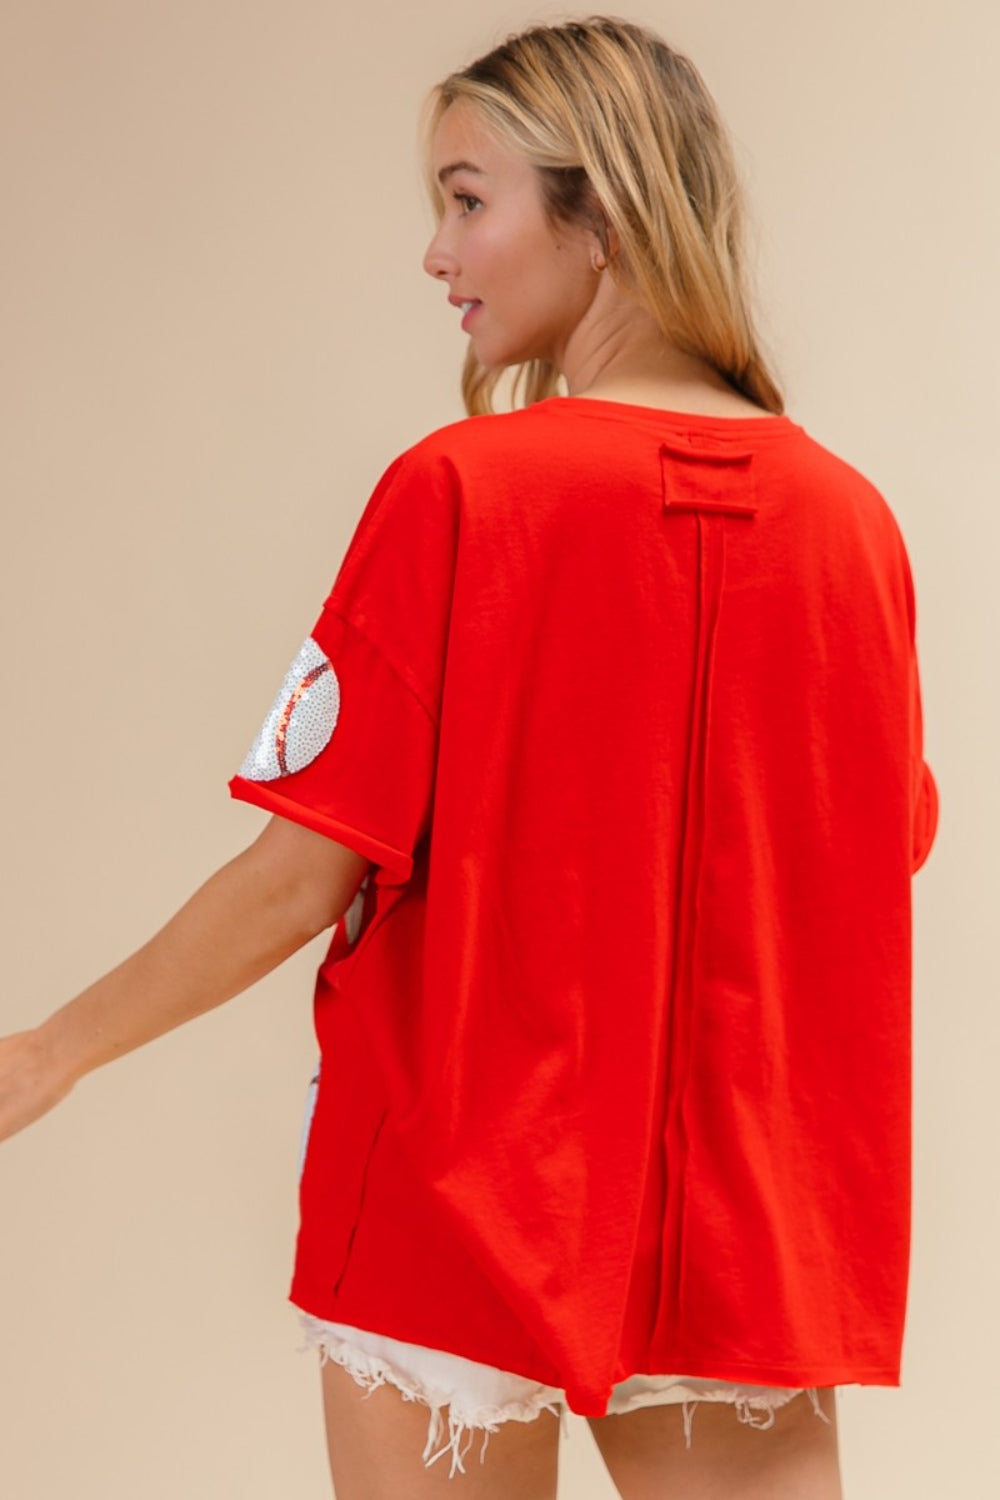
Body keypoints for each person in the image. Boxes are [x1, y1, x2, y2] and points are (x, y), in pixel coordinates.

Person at [0, 15, 938, 1500]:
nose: (436, 255)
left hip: (461, 1190)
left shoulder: (459, 494)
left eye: (465, 198)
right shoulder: (853, 525)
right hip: (749, 1216)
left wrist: (49, 1052)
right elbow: (873, 847)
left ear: (604, 214)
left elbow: (301, 871)